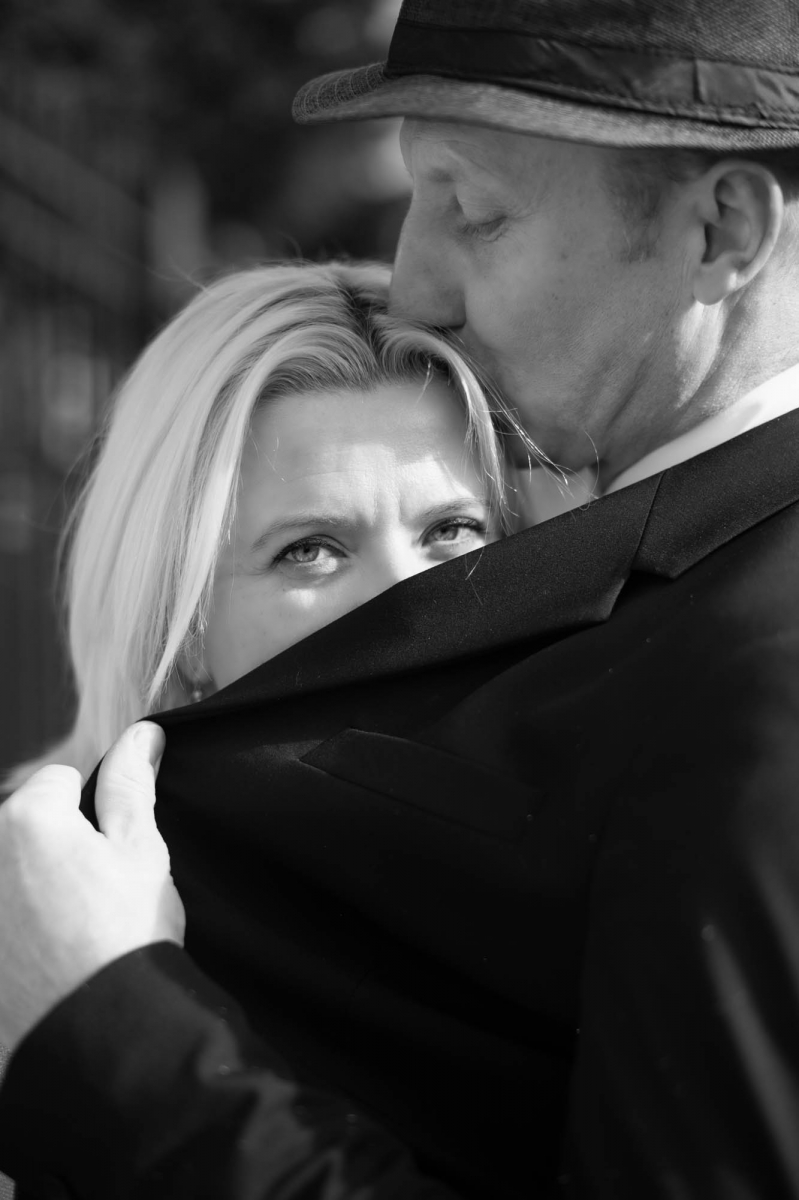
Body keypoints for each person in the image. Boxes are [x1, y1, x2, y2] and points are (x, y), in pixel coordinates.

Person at [3, 0, 799, 1196]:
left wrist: (109, 1027)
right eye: (309, 549)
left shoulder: (757, 652)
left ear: (720, 228)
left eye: (475, 210)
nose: (413, 281)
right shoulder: (657, 596)